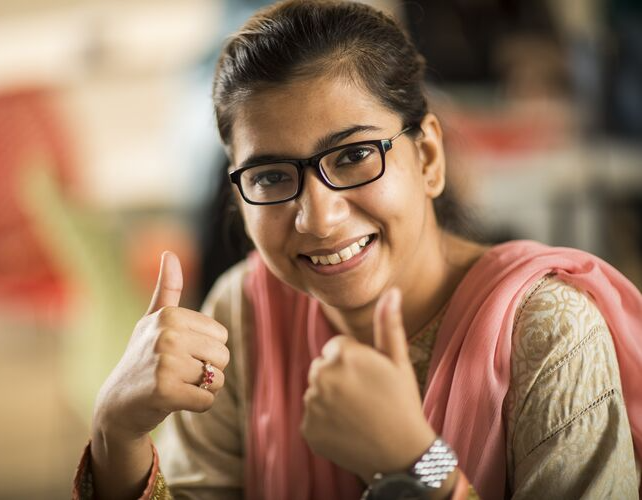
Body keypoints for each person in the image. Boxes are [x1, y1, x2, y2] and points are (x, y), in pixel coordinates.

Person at [73, 1, 642, 499]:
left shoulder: (550, 331)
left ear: (428, 160)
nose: (319, 218)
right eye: (271, 176)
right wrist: (115, 435)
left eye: (352, 156)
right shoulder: (242, 315)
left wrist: (419, 465)